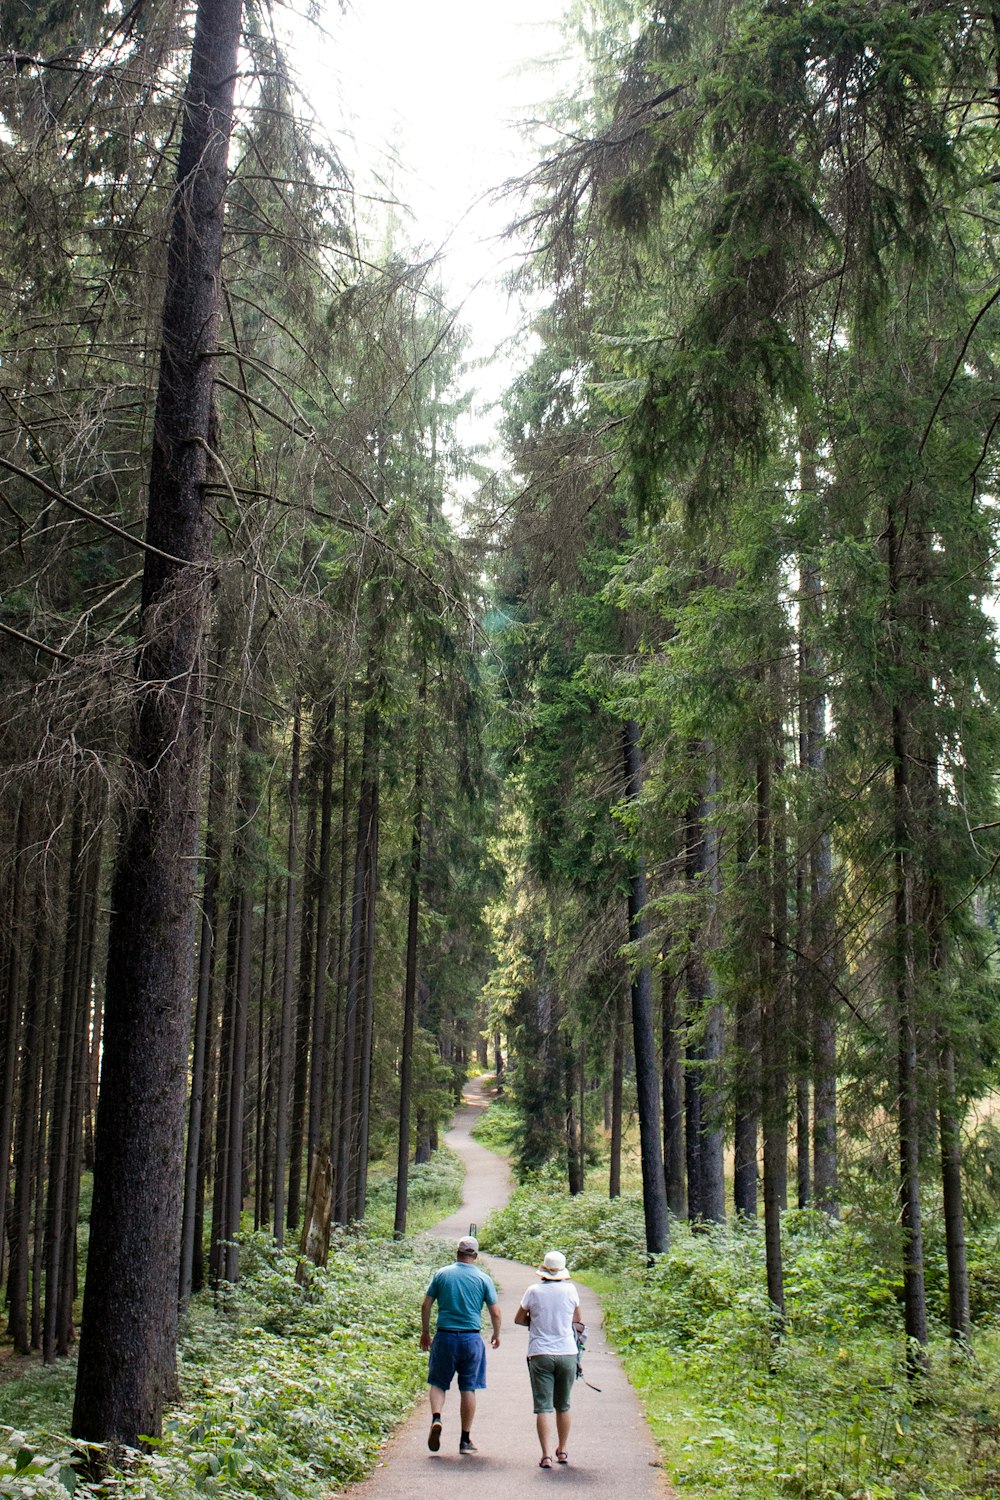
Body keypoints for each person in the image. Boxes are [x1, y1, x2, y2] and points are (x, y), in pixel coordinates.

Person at [420, 1234, 501, 1455]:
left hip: (445, 1336)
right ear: (475, 1255)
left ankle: (436, 1418)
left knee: (438, 1382)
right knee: (468, 1387)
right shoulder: (483, 1279)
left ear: (457, 1252)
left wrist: (425, 1333)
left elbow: (426, 1305)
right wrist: (496, 1334)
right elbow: (495, 1312)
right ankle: (465, 1440)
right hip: (471, 1338)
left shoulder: (442, 1274)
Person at [514, 1249, 582, 1469]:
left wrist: (535, 1323)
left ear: (543, 1270)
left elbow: (519, 1319)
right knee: (563, 1405)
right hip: (567, 1352)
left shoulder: (533, 1291)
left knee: (543, 1407)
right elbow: (578, 1322)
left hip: (540, 1352)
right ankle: (562, 1450)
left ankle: (545, 1455)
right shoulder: (571, 1290)